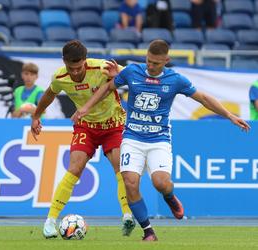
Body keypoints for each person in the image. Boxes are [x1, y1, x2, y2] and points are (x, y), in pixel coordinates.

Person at [72, 39, 251, 241]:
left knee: (161, 183)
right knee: (130, 183)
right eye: (148, 60)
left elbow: (203, 98)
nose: (150, 65)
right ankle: (148, 231)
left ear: (166, 60)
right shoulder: (132, 72)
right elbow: (107, 87)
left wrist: (229, 116)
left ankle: (169, 197)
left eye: (156, 63)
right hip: (132, 137)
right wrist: (85, 107)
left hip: (159, 139)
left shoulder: (175, 80)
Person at [31, 40, 135, 238]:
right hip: (86, 126)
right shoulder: (60, 77)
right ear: (64, 62)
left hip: (114, 125)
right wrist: (36, 115)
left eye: (79, 67)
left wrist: (119, 76)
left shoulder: (102, 67)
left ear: (86, 61)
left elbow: (134, 76)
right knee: (74, 168)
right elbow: (49, 94)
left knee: (119, 167)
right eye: (72, 68)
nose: (76, 72)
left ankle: (127, 216)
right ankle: (50, 221)